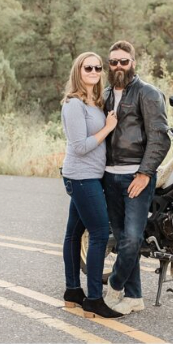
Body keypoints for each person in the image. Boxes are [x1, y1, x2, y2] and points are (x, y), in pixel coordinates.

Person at [101, 40, 170, 315]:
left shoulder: (148, 93)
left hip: (135, 177)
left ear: (133, 63)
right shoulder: (104, 94)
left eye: (124, 61)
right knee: (121, 239)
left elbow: (160, 137)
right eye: (114, 62)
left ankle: (115, 285)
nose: (118, 66)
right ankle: (134, 296)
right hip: (108, 176)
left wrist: (144, 173)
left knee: (131, 239)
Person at [61, 52, 123, 319]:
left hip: (91, 176)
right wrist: (108, 128)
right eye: (89, 67)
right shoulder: (74, 104)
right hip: (81, 176)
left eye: (98, 67)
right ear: (79, 70)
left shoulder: (94, 101)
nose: (95, 70)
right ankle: (94, 299)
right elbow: (80, 147)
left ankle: (73, 292)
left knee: (74, 234)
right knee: (98, 233)